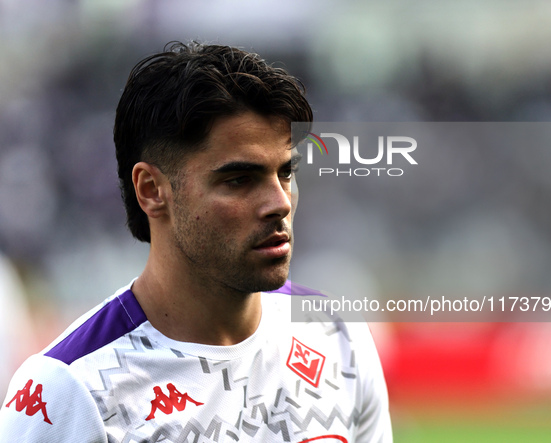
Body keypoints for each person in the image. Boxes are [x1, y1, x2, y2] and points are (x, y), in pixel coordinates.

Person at [0, 41, 392, 442]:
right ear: (152, 190)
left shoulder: (337, 335)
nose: (278, 203)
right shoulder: (69, 391)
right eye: (239, 180)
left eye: (286, 174)